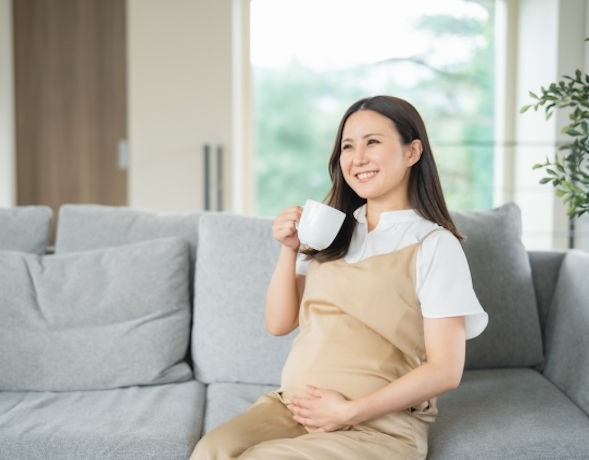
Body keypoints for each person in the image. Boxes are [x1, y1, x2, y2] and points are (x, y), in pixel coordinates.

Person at [190, 95, 488, 460]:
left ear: (412, 152)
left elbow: (445, 370)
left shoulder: (434, 245)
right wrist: (290, 249)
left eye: (372, 142)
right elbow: (279, 323)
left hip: (375, 426)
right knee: (210, 452)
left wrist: (349, 411)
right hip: (292, 409)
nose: (357, 158)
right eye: (348, 146)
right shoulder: (331, 231)